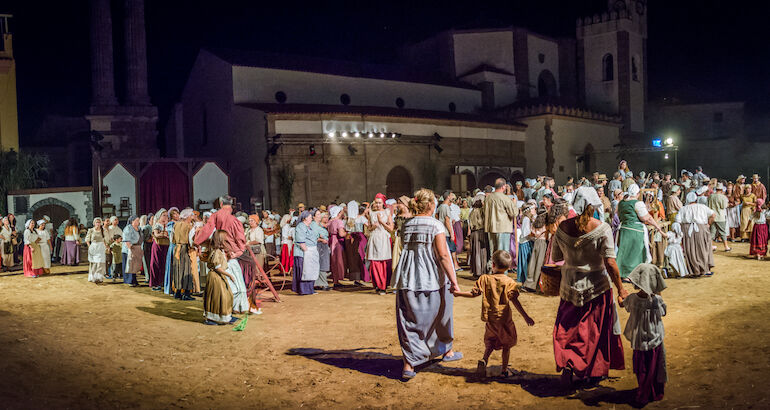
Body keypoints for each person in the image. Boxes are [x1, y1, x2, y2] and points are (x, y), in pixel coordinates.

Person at [552, 187, 627, 387]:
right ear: (593, 206)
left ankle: (569, 363)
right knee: (593, 332)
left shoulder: (562, 228)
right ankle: (594, 371)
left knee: (569, 330)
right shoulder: (601, 228)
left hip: (569, 286)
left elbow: (556, 258)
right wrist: (621, 289)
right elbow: (610, 263)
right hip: (597, 287)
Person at [392, 188, 462, 381]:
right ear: (431, 205)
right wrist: (454, 281)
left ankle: (409, 363)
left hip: (408, 277)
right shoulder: (435, 225)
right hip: (432, 278)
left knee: (409, 320)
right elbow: (443, 255)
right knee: (442, 315)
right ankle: (446, 351)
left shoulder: (407, 224)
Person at [454, 250, 535, 378]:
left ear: (493, 265)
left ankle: (484, 359)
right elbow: (514, 301)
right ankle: (504, 370)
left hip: (490, 319)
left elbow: (474, 293)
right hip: (504, 320)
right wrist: (526, 317)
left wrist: (459, 294)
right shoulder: (510, 283)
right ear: (508, 267)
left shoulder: (484, 279)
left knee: (491, 342)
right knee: (506, 345)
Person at [620, 263, 668, 406]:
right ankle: (655, 392)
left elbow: (623, 304)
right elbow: (664, 312)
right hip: (655, 340)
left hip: (639, 340)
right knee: (655, 367)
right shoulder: (657, 301)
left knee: (642, 368)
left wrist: (621, 296)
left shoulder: (633, 299)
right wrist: (658, 293)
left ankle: (643, 393)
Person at [616, 184, 663, 279]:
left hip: (624, 229)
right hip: (635, 230)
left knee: (625, 253)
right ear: (637, 194)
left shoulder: (621, 203)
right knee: (635, 253)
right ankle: (633, 275)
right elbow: (646, 218)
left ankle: (624, 274)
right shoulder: (637, 203)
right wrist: (657, 226)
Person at [676, 192, 716, 277]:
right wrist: (708, 224)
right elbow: (713, 214)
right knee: (703, 248)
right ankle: (705, 270)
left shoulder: (683, 209)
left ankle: (694, 270)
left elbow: (678, 221)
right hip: (701, 228)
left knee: (690, 249)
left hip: (687, 229)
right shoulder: (702, 207)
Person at [203, 230, 238, 325]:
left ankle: (224, 316)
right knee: (218, 297)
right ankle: (213, 318)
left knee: (225, 295)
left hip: (218, 276)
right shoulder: (216, 252)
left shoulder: (219, 251)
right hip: (215, 277)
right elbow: (217, 267)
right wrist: (230, 275)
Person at [365, 194, 394, 295]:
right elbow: (369, 228)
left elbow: (391, 228)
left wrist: (381, 222)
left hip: (383, 238)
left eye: (379, 203)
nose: (377, 205)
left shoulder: (387, 212)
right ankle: (377, 284)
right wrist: (373, 226)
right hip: (374, 238)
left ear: (383, 203)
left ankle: (383, 286)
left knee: (383, 262)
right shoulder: (371, 213)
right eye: (376, 202)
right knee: (374, 262)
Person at [484, 178, 518, 254]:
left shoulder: (488, 198)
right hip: (502, 228)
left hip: (491, 228)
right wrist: (514, 204)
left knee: (493, 253)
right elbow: (513, 213)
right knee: (502, 253)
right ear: (503, 187)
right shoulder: (505, 198)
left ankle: (492, 266)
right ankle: (502, 266)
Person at [172, 209, 195, 299]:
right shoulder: (188, 226)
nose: (192, 218)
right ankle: (186, 293)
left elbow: (172, 239)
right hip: (184, 248)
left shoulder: (175, 225)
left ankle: (177, 292)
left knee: (178, 269)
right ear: (187, 217)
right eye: (191, 216)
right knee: (186, 269)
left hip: (177, 248)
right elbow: (191, 240)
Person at [292, 210, 316, 295]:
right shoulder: (300, 226)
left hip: (309, 252)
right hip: (302, 253)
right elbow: (300, 240)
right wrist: (307, 251)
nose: (311, 219)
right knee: (303, 271)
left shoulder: (309, 227)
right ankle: (303, 290)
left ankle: (309, 289)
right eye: (310, 217)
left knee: (309, 271)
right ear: (305, 218)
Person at [327, 205, 347, 289]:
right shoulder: (339, 221)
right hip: (337, 241)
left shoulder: (330, 221)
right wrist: (348, 233)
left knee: (334, 261)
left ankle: (336, 280)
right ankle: (339, 278)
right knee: (339, 260)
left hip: (331, 240)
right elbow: (341, 233)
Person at [149, 209, 169, 291]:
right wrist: (164, 233)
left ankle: (162, 282)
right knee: (156, 264)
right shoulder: (157, 225)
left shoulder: (168, 225)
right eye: (163, 215)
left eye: (166, 215)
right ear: (159, 216)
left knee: (164, 264)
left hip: (166, 246)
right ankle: (155, 283)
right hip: (158, 246)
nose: (165, 217)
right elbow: (156, 234)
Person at [468, 197, 488, 277]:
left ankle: (476, 271)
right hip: (480, 232)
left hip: (473, 233)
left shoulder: (472, 212)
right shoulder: (481, 211)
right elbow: (482, 221)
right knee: (482, 251)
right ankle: (482, 270)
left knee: (475, 252)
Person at [708, 184, 731, 252]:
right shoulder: (723, 197)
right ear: (721, 190)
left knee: (712, 232)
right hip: (720, 216)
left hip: (712, 216)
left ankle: (709, 246)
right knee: (723, 232)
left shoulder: (711, 196)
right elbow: (723, 206)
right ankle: (726, 247)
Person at [516, 203, 536, 282]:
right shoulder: (526, 219)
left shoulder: (528, 219)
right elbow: (526, 233)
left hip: (526, 242)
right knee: (526, 262)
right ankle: (526, 279)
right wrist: (534, 236)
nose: (534, 210)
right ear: (529, 210)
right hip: (525, 243)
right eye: (533, 209)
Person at [85, 217, 108, 284]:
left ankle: (99, 277)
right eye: (96, 222)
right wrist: (90, 247)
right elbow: (87, 239)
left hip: (101, 247)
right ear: (94, 223)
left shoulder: (103, 230)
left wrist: (106, 246)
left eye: (99, 222)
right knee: (94, 263)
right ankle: (93, 277)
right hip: (94, 247)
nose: (98, 224)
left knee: (101, 262)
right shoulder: (91, 230)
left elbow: (105, 239)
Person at [244, 214, 265, 286]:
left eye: (252, 221)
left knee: (258, 266)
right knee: (252, 266)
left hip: (258, 250)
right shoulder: (248, 230)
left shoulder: (259, 230)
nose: (250, 222)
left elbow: (258, 240)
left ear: (256, 221)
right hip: (250, 250)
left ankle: (259, 281)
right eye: (249, 221)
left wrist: (249, 243)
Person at [122, 215, 143, 287]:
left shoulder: (139, 228)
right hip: (129, 249)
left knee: (134, 265)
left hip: (136, 248)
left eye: (138, 220)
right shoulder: (128, 228)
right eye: (136, 220)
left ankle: (134, 280)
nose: (138, 222)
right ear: (132, 221)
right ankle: (129, 280)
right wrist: (130, 248)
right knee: (129, 265)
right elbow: (126, 239)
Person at [314, 211, 332, 291]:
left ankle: (319, 283)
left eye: (327, 216)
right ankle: (323, 284)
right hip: (319, 246)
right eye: (324, 217)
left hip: (324, 246)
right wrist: (321, 239)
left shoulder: (324, 226)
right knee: (321, 264)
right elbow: (313, 237)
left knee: (323, 264)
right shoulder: (317, 226)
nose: (326, 218)